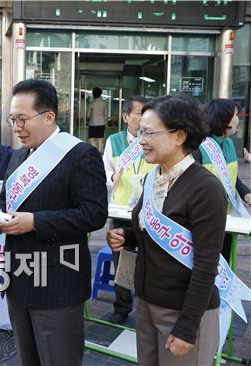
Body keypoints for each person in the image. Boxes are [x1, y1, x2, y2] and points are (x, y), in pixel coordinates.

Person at [0, 79, 108, 366]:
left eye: (22, 119)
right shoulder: (19, 155)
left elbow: (94, 213)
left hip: (57, 285)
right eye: (12, 119)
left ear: (49, 117)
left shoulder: (80, 155)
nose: (16, 127)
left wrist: (35, 223)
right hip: (18, 279)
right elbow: (5, 198)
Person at [107, 94, 226, 365]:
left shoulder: (205, 188)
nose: (141, 141)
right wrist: (127, 236)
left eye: (149, 133)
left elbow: (207, 264)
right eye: (140, 133)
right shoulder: (152, 177)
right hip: (147, 304)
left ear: (179, 136)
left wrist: (187, 327)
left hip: (184, 312)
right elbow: (147, 231)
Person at [102, 95, 154, 324]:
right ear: (125, 117)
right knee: (122, 260)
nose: (143, 117)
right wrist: (113, 176)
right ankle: (122, 308)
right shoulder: (114, 140)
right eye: (139, 112)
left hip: (149, 210)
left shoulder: (152, 139)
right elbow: (104, 170)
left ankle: (147, 307)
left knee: (150, 260)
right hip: (121, 209)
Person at [193, 98, 251, 260]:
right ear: (224, 119)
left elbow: (232, 177)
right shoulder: (199, 147)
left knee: (224, 264)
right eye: (235, 115)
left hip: (226, 218)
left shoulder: (230, 144)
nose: (239, 118)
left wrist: (246, 193)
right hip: (203, 221)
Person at [87, 87, 108, 152]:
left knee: (92, 139)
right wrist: (106, 123)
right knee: (100, 139)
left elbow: (88, 115)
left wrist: (87, 119)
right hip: (101, 123)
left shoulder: (91, 104)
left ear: (93, 94)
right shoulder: (104, 103)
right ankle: (99, 153)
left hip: (92, 123)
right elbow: (106, 115)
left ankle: (94, 153)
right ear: (101, 94)